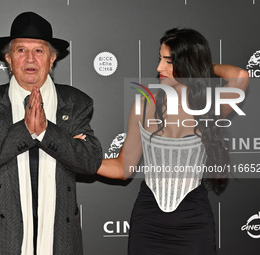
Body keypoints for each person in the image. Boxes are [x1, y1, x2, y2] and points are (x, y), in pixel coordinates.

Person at [96, 28, 249, 254]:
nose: (159, 68)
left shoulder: (211, 105)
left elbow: (240, 76)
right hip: (148, 219)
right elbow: (122, 169)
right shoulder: (144, 104)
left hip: (194, 218)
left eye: (169, 61)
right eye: (160, 59)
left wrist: (200, 65)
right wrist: (77, 157)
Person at [0, 12, 102, 255]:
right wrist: (25, 131)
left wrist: (47, 132)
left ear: (52, 59)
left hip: (59, 236)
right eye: (20, 50)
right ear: (8, 59)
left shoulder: (76, 102)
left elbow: (90, 161)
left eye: (39, 50)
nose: (30, 58)